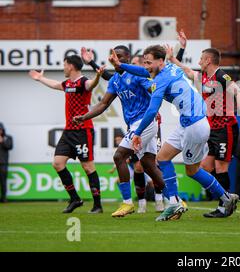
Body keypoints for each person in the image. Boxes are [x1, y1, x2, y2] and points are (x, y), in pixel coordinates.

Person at [109, 44, 239, 221]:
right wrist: (121, 66)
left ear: (161, 61)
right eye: (144, 62)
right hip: (187, 123)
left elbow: (152, 110)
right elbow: (141, 71)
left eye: (148, 62)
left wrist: (138, 132)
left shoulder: (161, 80)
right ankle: (175, 201)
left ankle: (223, 198)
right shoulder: (168, 68)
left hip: (195, 125)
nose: (145, 66)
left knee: (192, 170)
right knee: (162, 158)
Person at [74, 46, 166, 218]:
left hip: (144, 122)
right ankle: (175, 199)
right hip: (134, 125)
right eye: (114, 56)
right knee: (148, 165)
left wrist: (158, 92)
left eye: (121, 56)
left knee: (119, 156)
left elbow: (154, 90)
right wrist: (85, 116)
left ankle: (127, 203)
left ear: (128, 58)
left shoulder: (138, 75)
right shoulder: (115, 80)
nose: (116, 59)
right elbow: (103, 105)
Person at [168, 30, 240, 218]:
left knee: (221, 167)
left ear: (209, 60)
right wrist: (180, 49)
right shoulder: (202, 78)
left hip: (225, 128)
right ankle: (226, 198)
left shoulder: (222, 76)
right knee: (204, 168)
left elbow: (239, 93)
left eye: (202, 59)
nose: (199, 62)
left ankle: (224, 206)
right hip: (210, 129)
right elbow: (182, 69)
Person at [28, 55, 103, 213]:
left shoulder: (83, 81)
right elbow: (55, 84)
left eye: (64, 65)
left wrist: (97, 77)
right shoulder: (67, 83)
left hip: (83, 131)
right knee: (57, 163)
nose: (63, 68)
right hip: (68, 131)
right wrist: (41, 78)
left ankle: (97, 205)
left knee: (88, 167)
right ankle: (75, 199)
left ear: (71, 66)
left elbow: (91, 85)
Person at [0, 123, 13, 203]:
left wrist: (2, 141)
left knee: (3, 182)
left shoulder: (8, 137)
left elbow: (10, 147)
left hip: (3, 163)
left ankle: (4, 198)